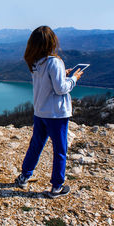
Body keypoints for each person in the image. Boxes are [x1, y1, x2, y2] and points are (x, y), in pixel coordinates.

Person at [15, 26, 83, 198]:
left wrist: (63, 73)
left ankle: (24, 177)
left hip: (40, 113)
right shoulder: (54, 61)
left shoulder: (35, 62)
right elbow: (61, 89)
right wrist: (74, 79)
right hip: (56, 115)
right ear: (51, 42)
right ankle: (57, 187)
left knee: (35, 146)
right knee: (60, 150)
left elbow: (48, 82)